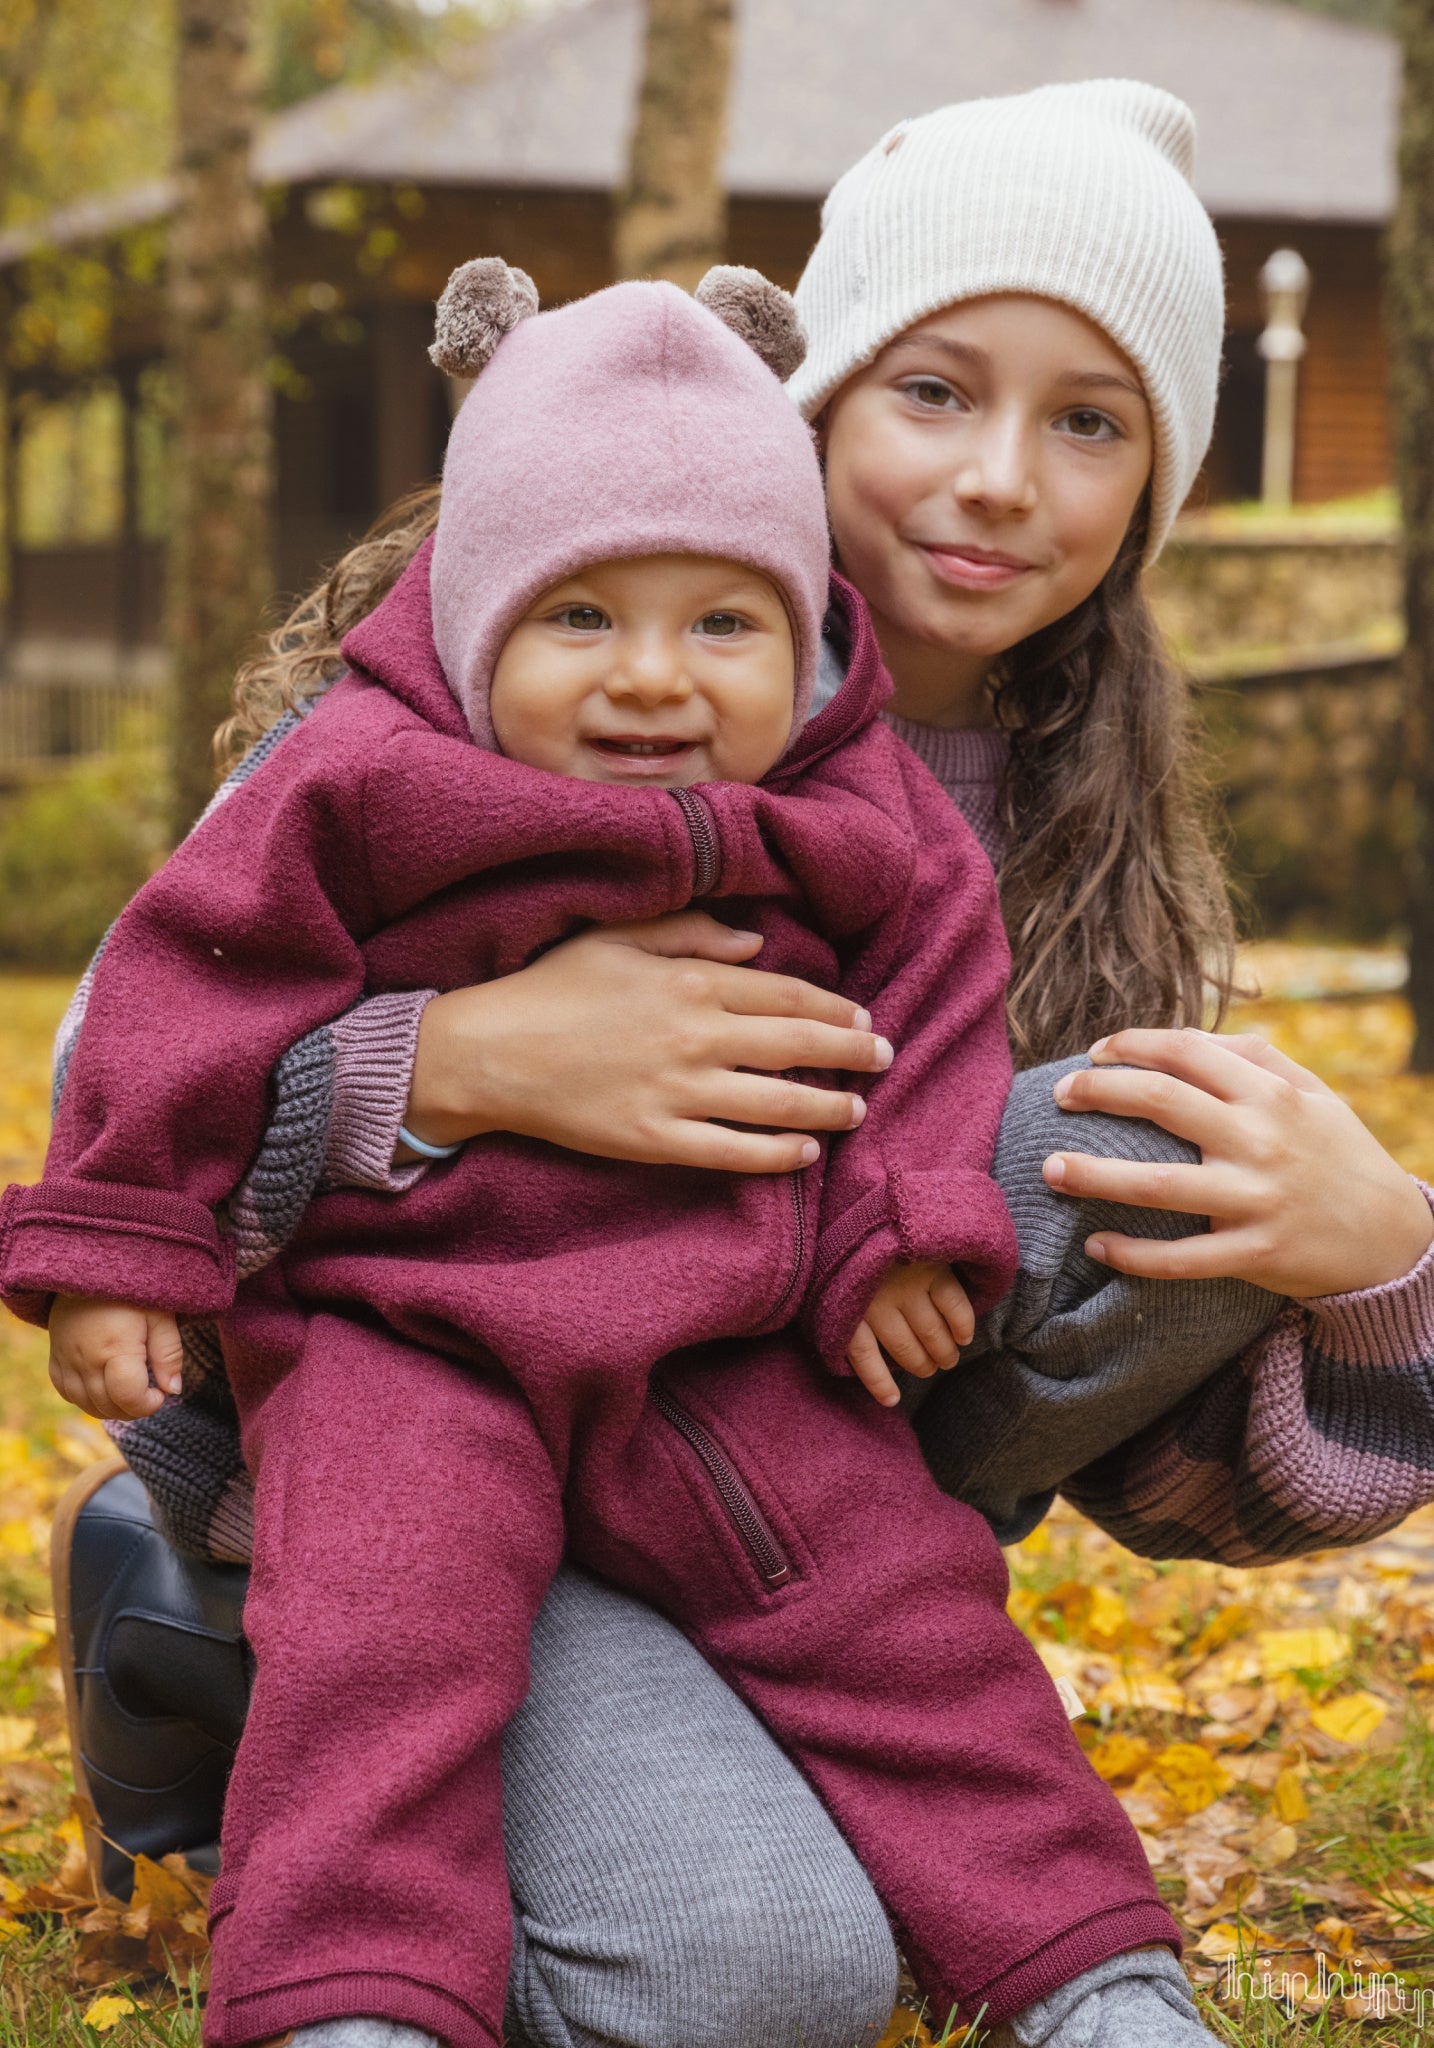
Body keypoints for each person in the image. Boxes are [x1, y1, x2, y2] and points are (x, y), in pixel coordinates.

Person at [34, 78, 1434, 2048]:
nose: (1000, 480)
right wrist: (455, 1066)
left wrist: (1377, 1270)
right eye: (937, 389)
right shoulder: (541, 613)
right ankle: (216, 1626)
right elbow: (127, 1041)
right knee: (701, 1936)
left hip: (787, 1456)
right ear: (823, 382)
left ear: (1156, 481)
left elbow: (1144, 1446)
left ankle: (771, 1742)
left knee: (1140, 1126)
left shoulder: (1091, 826)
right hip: (414, 1407)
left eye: (1091, 419)